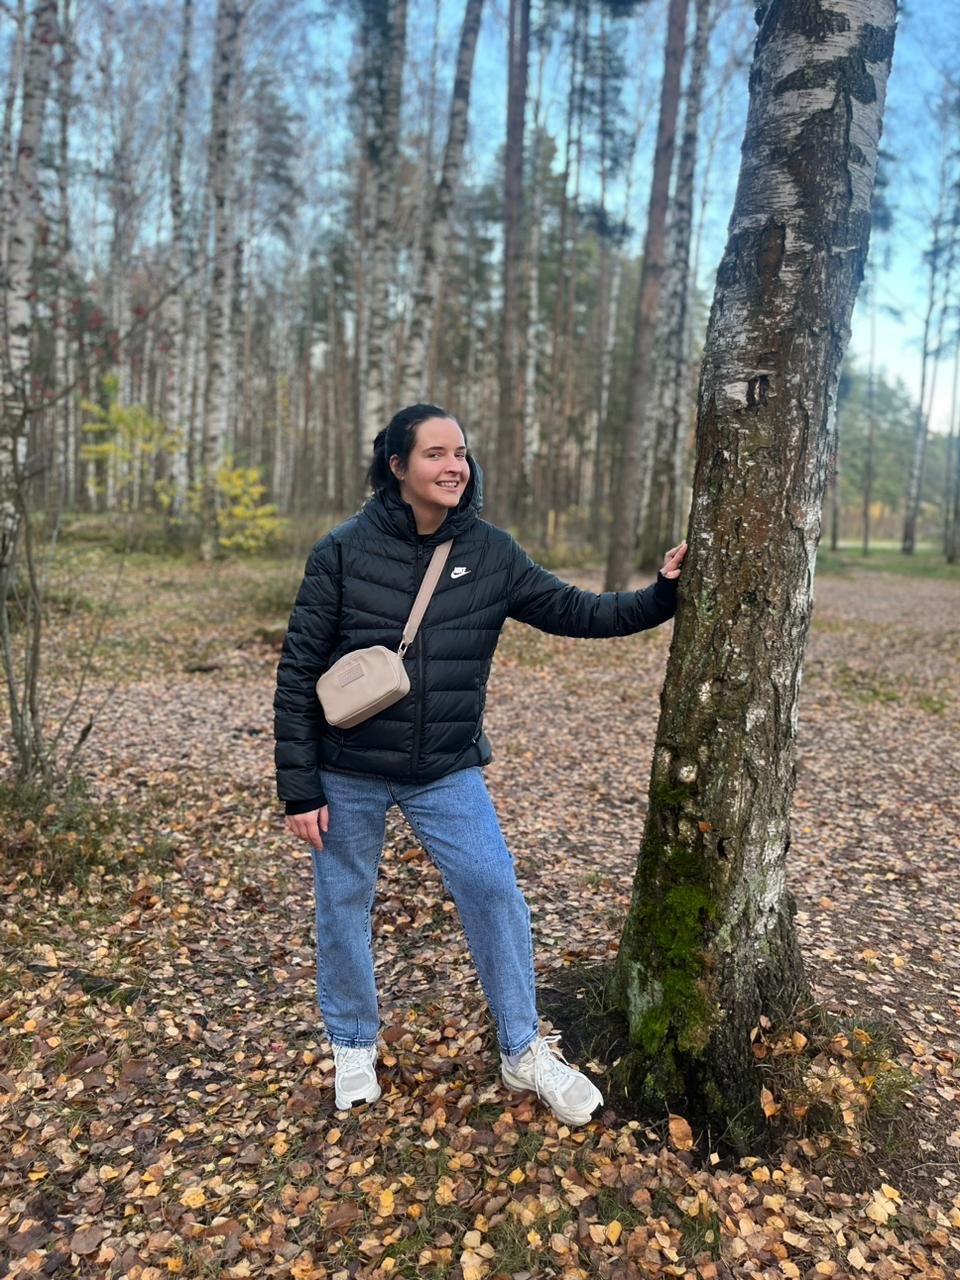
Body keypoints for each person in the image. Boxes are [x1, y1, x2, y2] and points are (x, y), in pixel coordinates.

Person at [274, 403, 687, 1124]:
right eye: (435, 453)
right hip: (348, 767)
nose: (453, 466)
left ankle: (523, 1048)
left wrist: (663, 594)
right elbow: (298, 671)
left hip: (445, 768)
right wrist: (299, 787)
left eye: (460, 452)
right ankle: (353, 1043)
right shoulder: (341, 551)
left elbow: (579, 612)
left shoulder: (491, 553)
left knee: (493, 889)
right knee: (342, 903)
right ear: (397, 466)